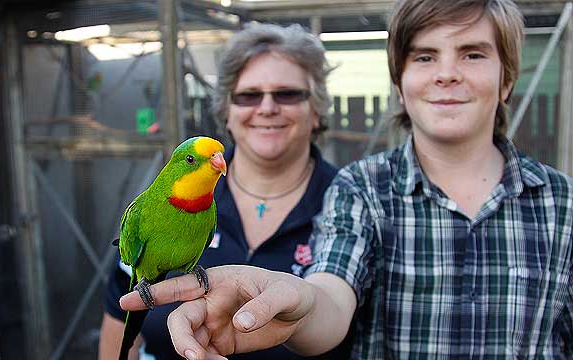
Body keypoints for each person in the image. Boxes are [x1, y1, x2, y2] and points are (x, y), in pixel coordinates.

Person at [119, 0, 573, 359]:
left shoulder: (563, 203)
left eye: (473, 54)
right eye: (425, 56)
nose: (447, 72)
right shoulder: (361, 190)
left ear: (507, 78)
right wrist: (301, 300)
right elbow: (331, 299)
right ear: (399, 81)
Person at [98, 23, 351, 359]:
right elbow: (121, 322)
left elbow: (339, 311)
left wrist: (304, 305)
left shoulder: (350, 200)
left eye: (287, 94)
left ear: (316, 109)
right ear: (226, 113)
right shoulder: (158, 201)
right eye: (248, 95)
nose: (266, 108)